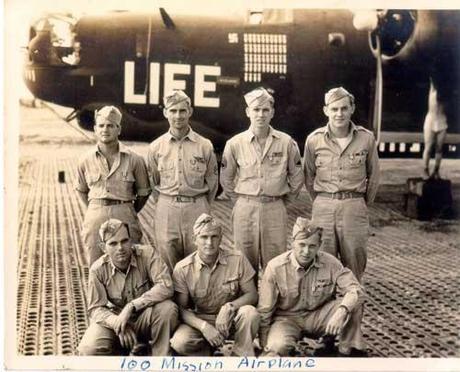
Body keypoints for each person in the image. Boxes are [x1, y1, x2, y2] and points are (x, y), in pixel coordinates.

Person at [220, 87, 304, 274]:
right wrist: (241, 201)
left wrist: (283, 202)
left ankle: (270, 303)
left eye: (265, 110)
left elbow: (297, 177)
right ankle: (247, 302)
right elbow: (226, 179)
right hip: (245, 209)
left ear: (272, 113)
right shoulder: (235, 143)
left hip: (274, 208)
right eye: (256, 110)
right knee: (243, 262)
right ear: (248, 112)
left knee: (275, 263)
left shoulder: (286, 142)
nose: (260, 114)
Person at [257, 217, 366, 357]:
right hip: (287, 319)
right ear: (292, 243)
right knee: (277, 347)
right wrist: (265, 342)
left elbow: (356, 290)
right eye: (302, 245)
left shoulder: (330, 263)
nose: (306, 251)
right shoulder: (275, 267)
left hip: (318, 316)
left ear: (319, 245)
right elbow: (265, 309)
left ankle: (345, 351)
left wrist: (342, 311)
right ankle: (284, 347)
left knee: (354, 303)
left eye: (312, 246)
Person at [303, 87, 379, 282]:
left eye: (344, 108)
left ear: (352, 108)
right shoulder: (314, 140)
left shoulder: (366, 139)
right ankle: (327, 312)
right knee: (322, 265)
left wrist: (359, 203)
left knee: (354, 265)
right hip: (323, 207)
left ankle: (352, 310)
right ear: (325, 110)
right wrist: (323, 200)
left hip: (353, 207)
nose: (339, 114)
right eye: (334, 109)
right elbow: (308, 176)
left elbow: (374, 176)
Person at [78, 219, 178, 356]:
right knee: (89, 348)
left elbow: (166, 286)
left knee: (168, 309)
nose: (120, 248)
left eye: (124, 241)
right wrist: (118, 324)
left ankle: (160, 358)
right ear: (103, 247)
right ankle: (125, 351)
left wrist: (131, 306)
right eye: (113, 243)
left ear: (131, 241)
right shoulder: (98, 270)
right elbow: (95, 308)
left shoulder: (148, 255)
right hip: (117, 319)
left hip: (145, 315)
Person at [146, 91, 218, 271]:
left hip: (197, 207)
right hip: (167, 209)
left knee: (198, 262)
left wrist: (201, 204)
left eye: (182, 111)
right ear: (165, 113)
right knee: (167, 260)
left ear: (190, 112)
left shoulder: (204, 145)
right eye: (173, 111)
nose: (178, 116)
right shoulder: (156, 147)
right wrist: (166, 202)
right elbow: (154, 183)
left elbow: (212, 182)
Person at [170, 213, 260, 356]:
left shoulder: (237, 259)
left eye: (214, 237)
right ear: (194, 239)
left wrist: (230, 307)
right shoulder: (183, 268)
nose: (209, 243)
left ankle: (241, 355)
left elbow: (252, 295)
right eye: (204, 237)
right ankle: (209, 353)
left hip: (231, 318)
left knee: (250, 313)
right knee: (180, 342)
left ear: (221, 238)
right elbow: (181, 309)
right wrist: (204, 327)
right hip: (202, 319)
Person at [75, 106, 151, 265]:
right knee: (96, 267)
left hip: (124, 214)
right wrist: (95, 208)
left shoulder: (134, 159)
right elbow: (81, 190)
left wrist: (127, 209)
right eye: (101, 126)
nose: (105, 129)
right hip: (95, 215)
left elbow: (144, 193)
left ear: (119, 129)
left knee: (130, 266)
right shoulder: (84, 160)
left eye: (110, 125)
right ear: (95, 129)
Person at [422, 79, 448, 179]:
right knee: (428, 148)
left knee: (439, 148)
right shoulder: (433, 90)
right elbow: (433, 77)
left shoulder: (445, 95)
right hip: (430, 121)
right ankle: (425, 170)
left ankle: (436, 171)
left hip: (442, 122)